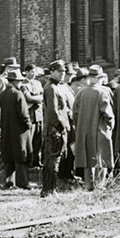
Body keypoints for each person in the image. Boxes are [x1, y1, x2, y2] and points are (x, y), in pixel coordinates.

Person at [72, 65, 115, 189]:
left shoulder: (81, 92)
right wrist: (110, 125)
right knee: (102, 157)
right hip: (99, 129)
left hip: (84, 130)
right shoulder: (102, 92)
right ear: (100, 78)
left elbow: (75, 112)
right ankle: (100, 185)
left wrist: (79, 126)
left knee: (87, 159)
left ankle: (89, 185)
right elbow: (108, 114)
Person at [41, 59, 74, 196]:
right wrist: (61, 128)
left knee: (55, 159)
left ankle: (49, 188)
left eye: (64, 71)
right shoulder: (52, 88)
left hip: (58, 129)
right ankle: (49, 189)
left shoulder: (58, 87)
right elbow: (53, 112)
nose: (62, 74)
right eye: (59, 71)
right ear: (52, 72)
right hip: (54, 130)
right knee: (52, 160)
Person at [0, 69, 34, 190]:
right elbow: (24, 114)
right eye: (19, 81)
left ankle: (9, 181)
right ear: (15, 81)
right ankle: (22, 182)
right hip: (20, 130)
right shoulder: (18, 94)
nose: (20, 83)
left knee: (8, 156)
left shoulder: (2, 95)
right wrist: (28, 124)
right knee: (21, 156)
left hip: (6, 129)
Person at [22, 64, 44, 169]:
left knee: (38, 139)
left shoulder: (38, 83)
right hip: (30, 115)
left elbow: (42, 94)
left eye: (35, 72)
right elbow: (28, 98)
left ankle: (36, 160)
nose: (34, 74)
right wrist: (39, 98)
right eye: (31, 72)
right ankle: (29, 161)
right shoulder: (23, 84)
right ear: (26, 72)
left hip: (39, 114)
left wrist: (36, 96)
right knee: (30, 138)